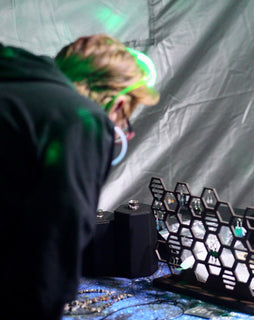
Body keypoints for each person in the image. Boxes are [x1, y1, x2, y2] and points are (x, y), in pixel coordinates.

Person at [0, 34, 159, 319]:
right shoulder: (79, 119)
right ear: (119, 104)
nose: (122, 129)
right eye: (125, 119)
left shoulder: (16, 84)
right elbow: (59, 235)